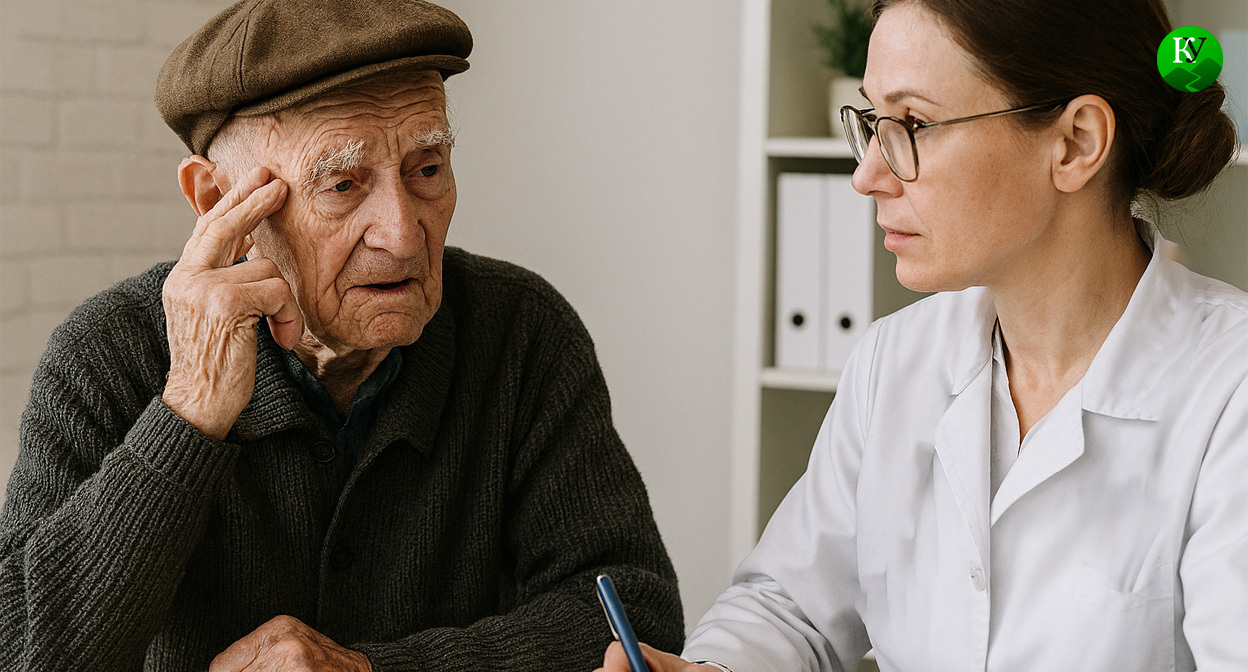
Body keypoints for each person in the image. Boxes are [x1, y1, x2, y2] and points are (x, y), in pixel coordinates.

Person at [0, 1, 685, 670]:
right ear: (215, 199)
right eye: (342, 184)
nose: (403, 234)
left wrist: (367, 670)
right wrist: (190, 410)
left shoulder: (521, 331)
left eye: (426, 169)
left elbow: (636, 613)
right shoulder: (108, 352)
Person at [598, 0, 1246, 670]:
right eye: (872, 123)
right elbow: (791, 606)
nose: (866, 176)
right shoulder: (895, 360)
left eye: (913, 124)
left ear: (1075, 143)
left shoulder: (1231, 390)